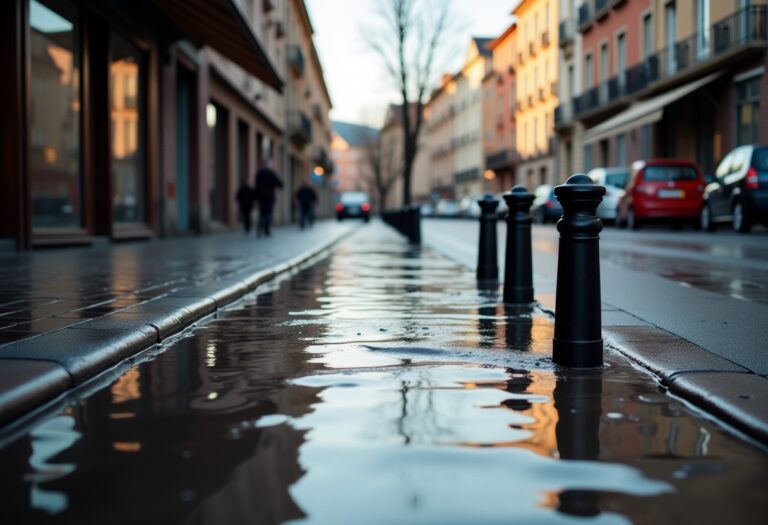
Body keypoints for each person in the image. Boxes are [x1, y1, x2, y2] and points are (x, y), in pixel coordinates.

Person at [254, 160, 283, 237]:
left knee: (263, 212)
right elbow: (280, 185)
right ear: (269, 165)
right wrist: (279, 178)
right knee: (267, 213)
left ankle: (266, 230)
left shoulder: (259, 173)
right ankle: (261, 227)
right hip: (269, 196)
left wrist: (256, 197)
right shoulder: (272, 174)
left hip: (261, 197)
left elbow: (256, 186)